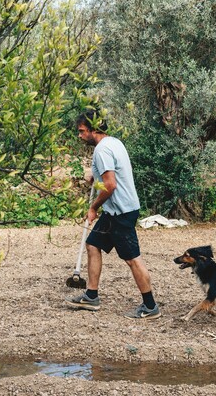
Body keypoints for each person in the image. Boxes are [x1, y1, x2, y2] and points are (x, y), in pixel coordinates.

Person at [65, 109, 161, 320]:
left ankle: (150, 306)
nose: (79, 136)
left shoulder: (102, 151)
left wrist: (93, 208)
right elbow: (107, 178)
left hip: (122, 212)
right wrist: (95, 179)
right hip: (115, 210)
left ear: (93, 129)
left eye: (82, 131)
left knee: (132, 259)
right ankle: (91, 296)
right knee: (93, 244)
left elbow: (111, 185)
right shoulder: (113, 142)